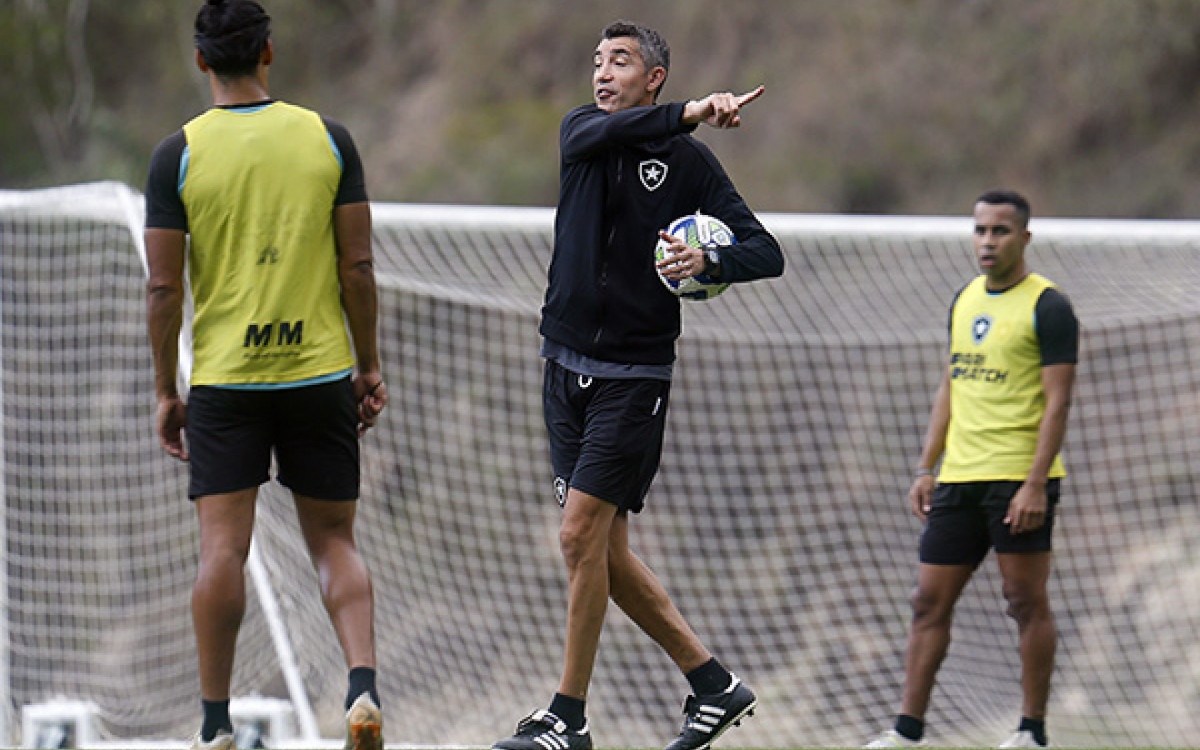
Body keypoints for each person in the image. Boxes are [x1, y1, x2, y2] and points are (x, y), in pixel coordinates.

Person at [493, 20, 784, 750]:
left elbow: (764, 250)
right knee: (603, 554)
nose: (602, 72)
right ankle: (714, 686)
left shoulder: (687, 167)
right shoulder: (581, 133)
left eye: (620, 61)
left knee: (577, 535)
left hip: (633, 376)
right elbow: (617, 130)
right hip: (561, 368)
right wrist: (693, 109)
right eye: (596, 60)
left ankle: (568, 717)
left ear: (653, 76)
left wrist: (710, 266)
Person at [143, 2, 386, 748]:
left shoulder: (178, 154)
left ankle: (215, 725)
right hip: (317, 374)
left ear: (201, 61)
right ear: (269, 52)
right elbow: (358, 264)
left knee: (222, 551)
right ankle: (362, 691)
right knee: (335, 543)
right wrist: (368, 361)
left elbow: (162, 289)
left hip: (227, 383)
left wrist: (165, 390)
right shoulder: (327, 139)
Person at [865, 190, 1078, 750]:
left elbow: (1057, 402)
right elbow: (951, 384)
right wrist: (925, 465)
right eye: (981, 231)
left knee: (1024, 601)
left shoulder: (1049, 307)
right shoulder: (964, 299)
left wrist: (1035, 483)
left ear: (1024, 238)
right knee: (928, 601)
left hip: (1018, 481)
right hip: (958, 477)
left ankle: (1031, 731)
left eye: (1000, 231)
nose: (988, 242)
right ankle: (906, 731)